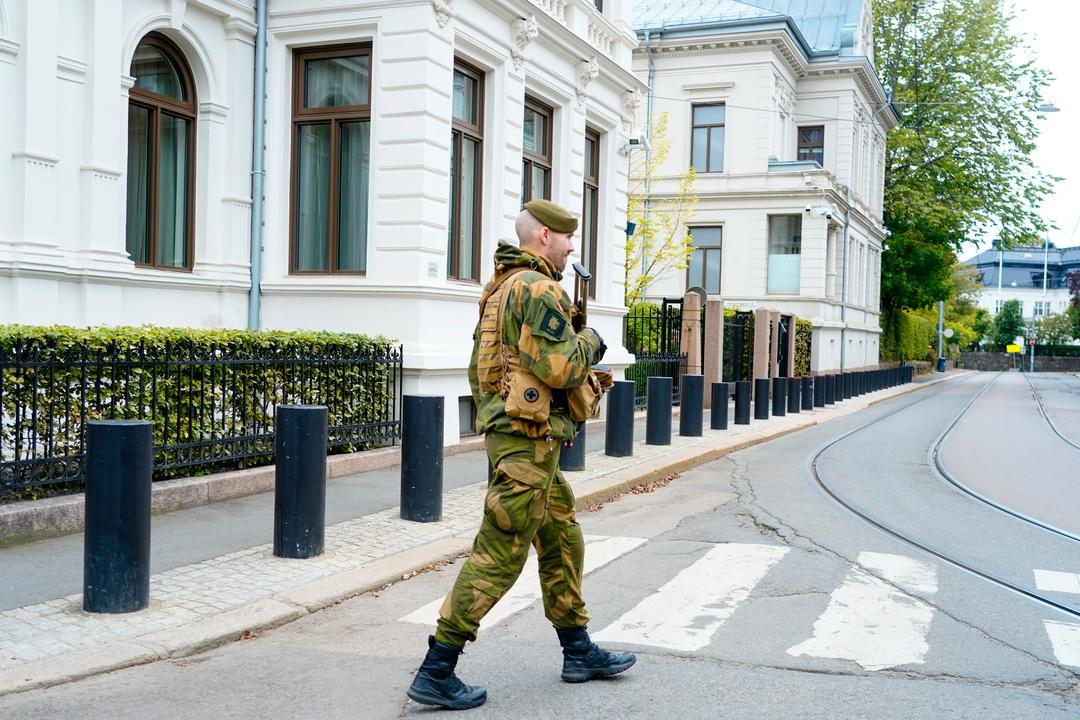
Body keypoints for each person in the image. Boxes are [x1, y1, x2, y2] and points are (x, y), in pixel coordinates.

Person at [406, 199, 635, 710]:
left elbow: (489, 369)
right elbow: (557, 368)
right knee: (502, 548)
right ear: (544, 238)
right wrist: (592, 341)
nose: (572, 246)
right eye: (566, 237)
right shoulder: (537, 288)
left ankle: (577, 650)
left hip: (525, 437)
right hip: (525, 443)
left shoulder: (502, 287)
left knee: (560, 537)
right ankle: (437, 667)